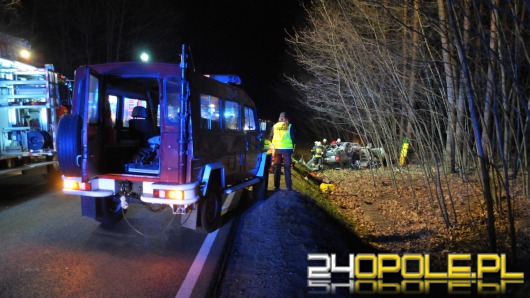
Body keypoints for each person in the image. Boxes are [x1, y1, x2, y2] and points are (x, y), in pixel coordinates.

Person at [270, 112, 295, 191]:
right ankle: (288, 187)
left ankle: (276, 186)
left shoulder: (274, 126)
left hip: (277, 150)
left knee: (277, 168)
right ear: (286, 118)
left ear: (279, 118)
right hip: (287, 150)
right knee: (287, 167)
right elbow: (293, 138)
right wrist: (292, 147)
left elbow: (270, 137)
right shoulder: (289, 126)